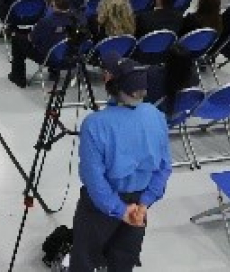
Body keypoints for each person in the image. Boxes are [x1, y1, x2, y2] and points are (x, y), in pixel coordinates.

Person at [70, 55, 172, 272]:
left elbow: (94, 179)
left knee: (85, 257)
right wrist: (143, 204)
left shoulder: (95, 125)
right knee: (124, 259)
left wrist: (119, 210)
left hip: (101, 206)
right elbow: (164, 167)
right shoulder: (156, 115)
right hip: (140, 202)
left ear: (109, 81)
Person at [10, 0, 79, 88]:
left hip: (49, 58)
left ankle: (18, 77)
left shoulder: (46, 21)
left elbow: (31, 39)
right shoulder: (77, 18)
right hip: (72, 58)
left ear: (53, 1)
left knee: (17, 39)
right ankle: (54, 72)